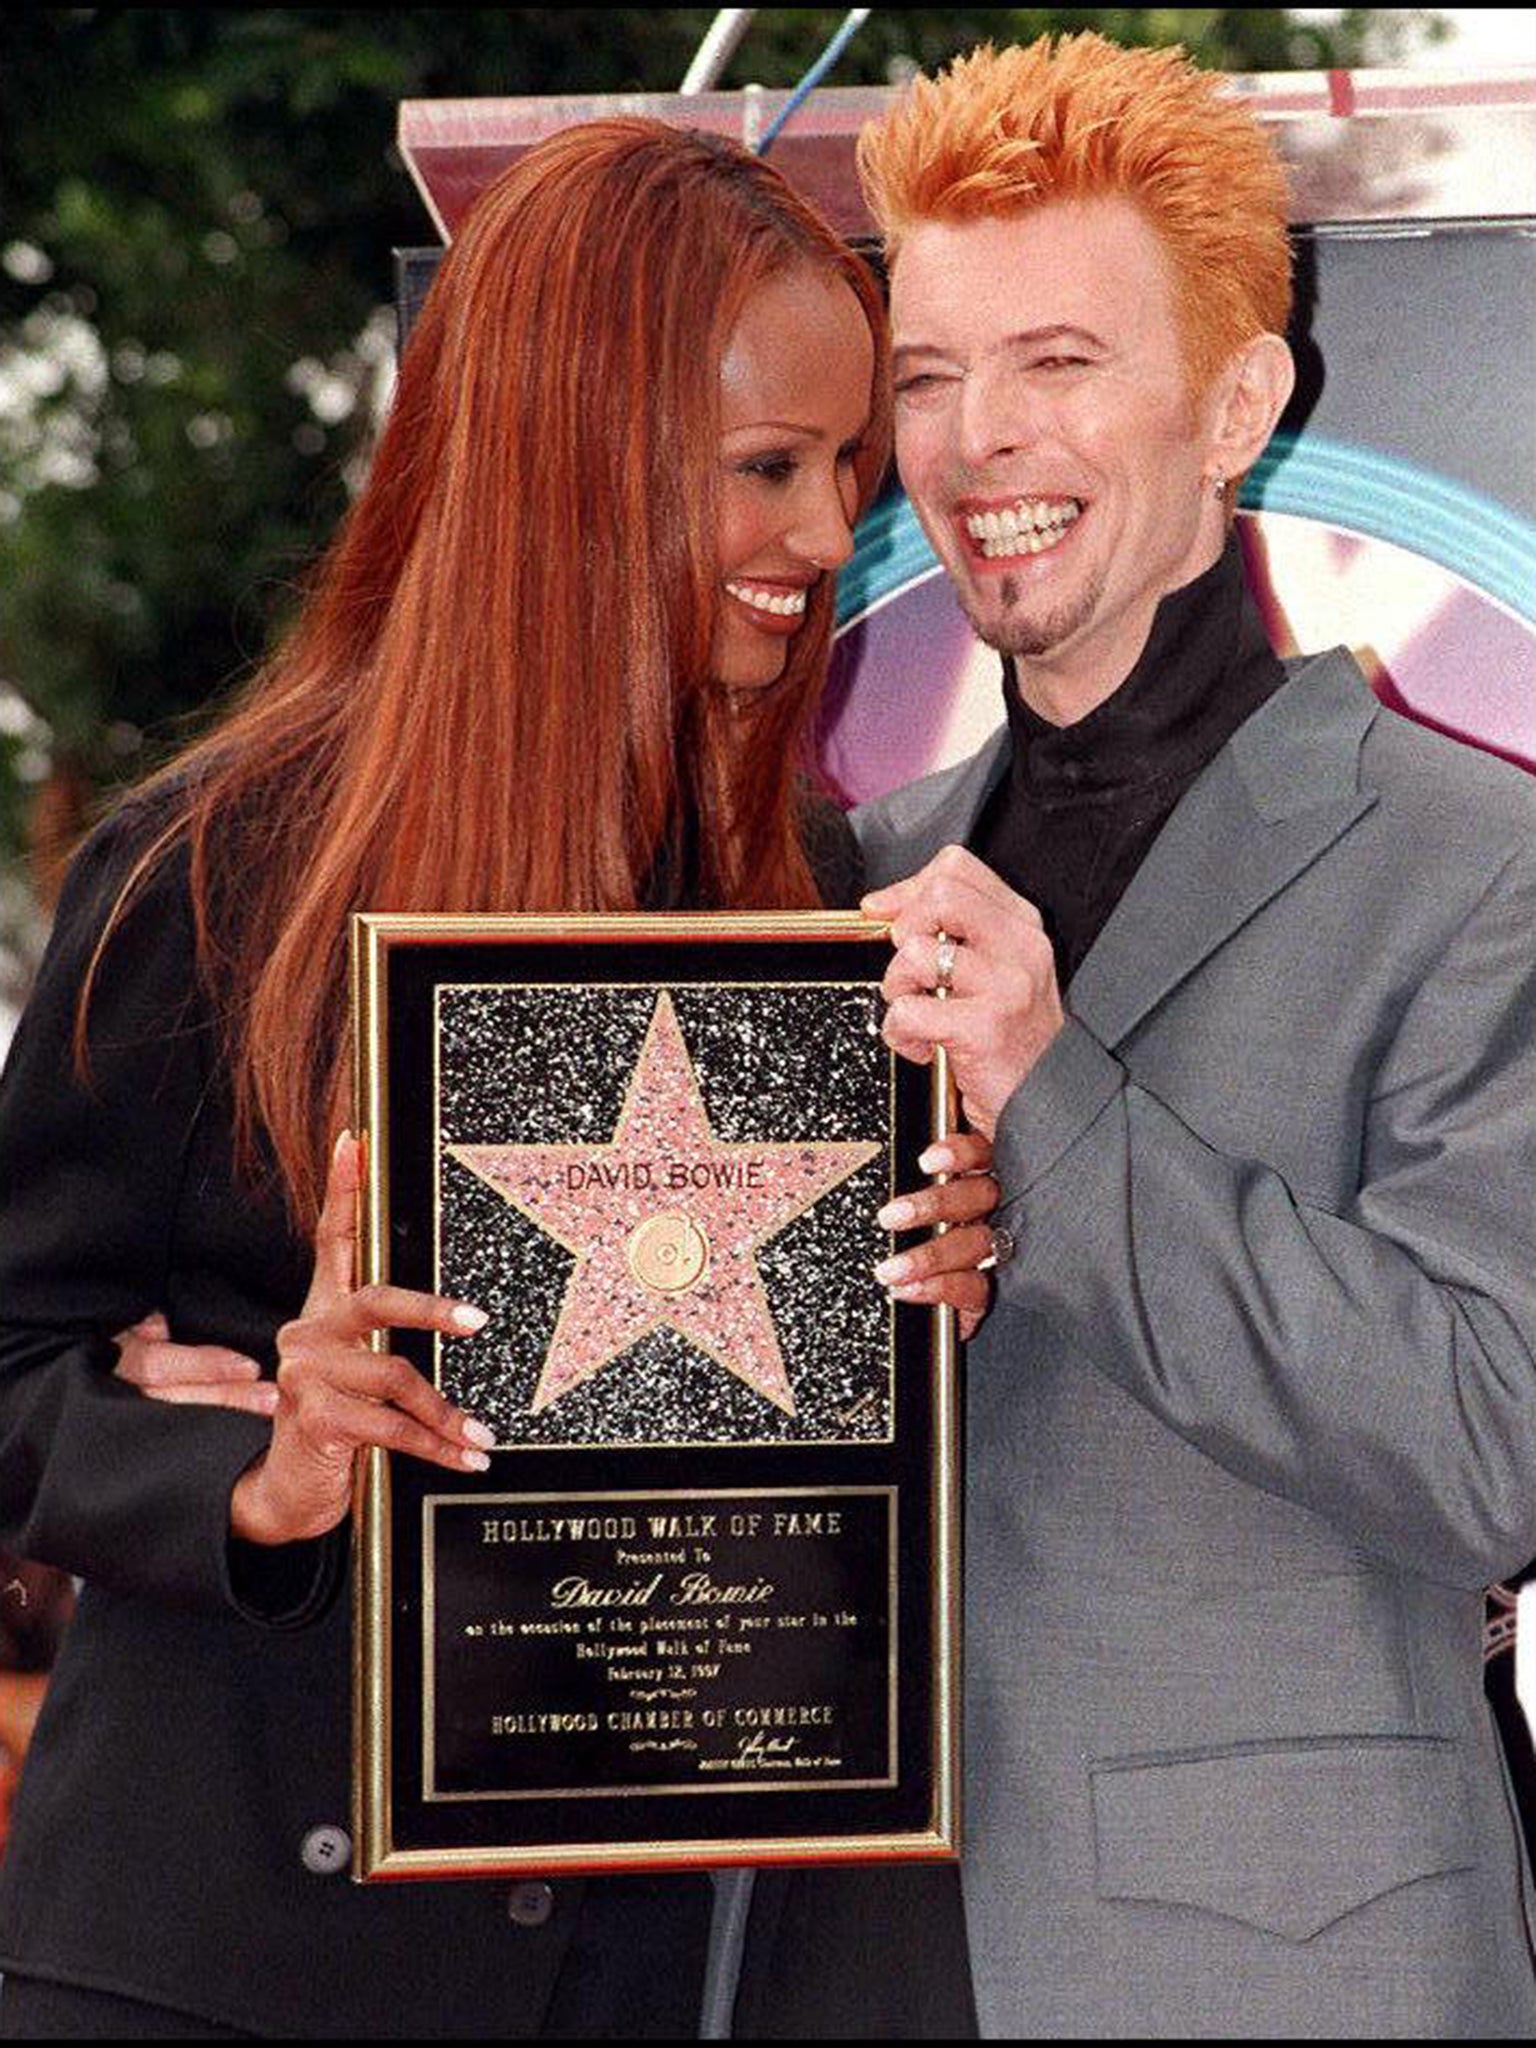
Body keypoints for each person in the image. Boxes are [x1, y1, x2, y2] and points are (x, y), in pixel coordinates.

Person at [0, 119, 989, 2039]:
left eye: (849, 468)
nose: (826, 538)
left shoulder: (815, 894)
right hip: (217, 1962)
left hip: (623, 1972)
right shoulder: (215, 871)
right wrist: (255, 1477)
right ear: (573, 468)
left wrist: (952, 1256)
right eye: (768, 471)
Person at [850, 33, 1536, 2038]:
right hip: (828, 1952)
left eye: (1057, 359)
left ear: (1236, 402)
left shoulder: (1480, 865)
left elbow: (1489, 1441)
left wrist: (1053, 1105)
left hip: (1271, 1968)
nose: (980, 438)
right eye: (926, 376)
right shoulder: (845, 876)